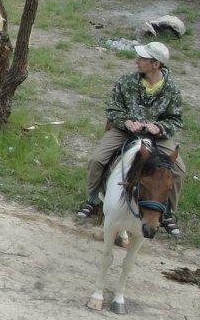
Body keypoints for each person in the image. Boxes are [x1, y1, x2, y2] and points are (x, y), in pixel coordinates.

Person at [77, 41, 188, 237]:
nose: (137, 61)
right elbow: (113, 109)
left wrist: (160, 127)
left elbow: (176, 120)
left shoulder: (172, 90)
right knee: (96, 160)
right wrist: (126, 122)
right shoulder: (127, 81)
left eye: (143, 58)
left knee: (179, 171)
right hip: (125, 131)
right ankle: (93, 199)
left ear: (156, 64)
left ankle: (168, 212)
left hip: (157, 136)